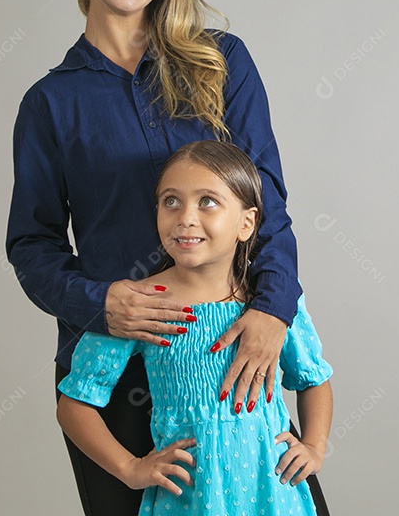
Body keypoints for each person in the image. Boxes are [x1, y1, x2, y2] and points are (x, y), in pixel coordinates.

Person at [5, 0, 330, 514]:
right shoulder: (51, 103)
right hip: (116, 370)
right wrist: (102, 303)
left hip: (230, 353)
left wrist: (271, 312)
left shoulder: (222, 62)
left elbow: (270, 207)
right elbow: (31, 245)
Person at [57, 141, 333, 515]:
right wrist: (131, 468)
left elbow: (313, 378)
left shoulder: (272, 306)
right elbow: (74, 404)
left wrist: (314, 448)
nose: (185, 217)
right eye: (171, 201)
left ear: (246, 222)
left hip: (273, 493)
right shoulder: (142, 304)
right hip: (188, 499)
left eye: (207, 201)